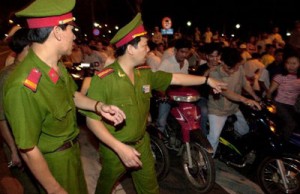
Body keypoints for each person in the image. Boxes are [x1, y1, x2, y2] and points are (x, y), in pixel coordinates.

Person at [80, 13, 227, 194]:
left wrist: (206, 81)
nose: (148, 50)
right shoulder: (104, 79)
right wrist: (120, 149)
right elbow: (92, 121)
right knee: (105, 188)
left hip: (142, 144)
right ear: (131, 49)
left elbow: (175, 77)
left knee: (150, 189)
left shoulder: (144, 73)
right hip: (115, 150)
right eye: (144, 45)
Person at [3, 0, 125, 193]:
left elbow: (71, 95)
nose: (74, 35)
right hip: (52, 164)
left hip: (72, 153)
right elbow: (28, 149)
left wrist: (98, 106)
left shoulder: (55, 66)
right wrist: (54, 189)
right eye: (71, 29)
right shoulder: (23, 86)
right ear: (57, 32)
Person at [207, 47, 261, 155]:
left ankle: (230, 147)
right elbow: (226, 92)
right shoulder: (214, 73)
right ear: (221, 61)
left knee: (245, 130)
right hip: (218, 110)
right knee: (213, 139)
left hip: (233, 107)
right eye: (229, 68)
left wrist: (255, 97)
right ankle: (204, 162)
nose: (232, 71)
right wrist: (245, 99)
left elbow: (245, 83)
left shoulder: (239, 68)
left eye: (235, 68)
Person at [0, 27, 30, 169]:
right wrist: (13, 149)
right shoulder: (7, 75)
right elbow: (2, 117)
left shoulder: (32, 70)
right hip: (17, 147)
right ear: (28, 47)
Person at [156, 38, 192, 134]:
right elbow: (157, 80)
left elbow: (186, 80)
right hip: (166, 95)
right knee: (161, 121)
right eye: (182, 52)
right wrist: (163, 94)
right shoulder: (166, 62)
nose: (184, 55)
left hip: (180, 96)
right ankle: (158, 142)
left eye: (186, 52)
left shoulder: (186, 62)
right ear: (175, 50)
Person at [266, 51, 300, 140]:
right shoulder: (280, 77)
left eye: (294, 63)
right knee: (291, 124)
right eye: (288, 63)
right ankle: (282, 143)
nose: (290, 66)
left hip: (292, 106)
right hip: (279, 104)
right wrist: (270, 104)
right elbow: (269, 93)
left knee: (289, 126)